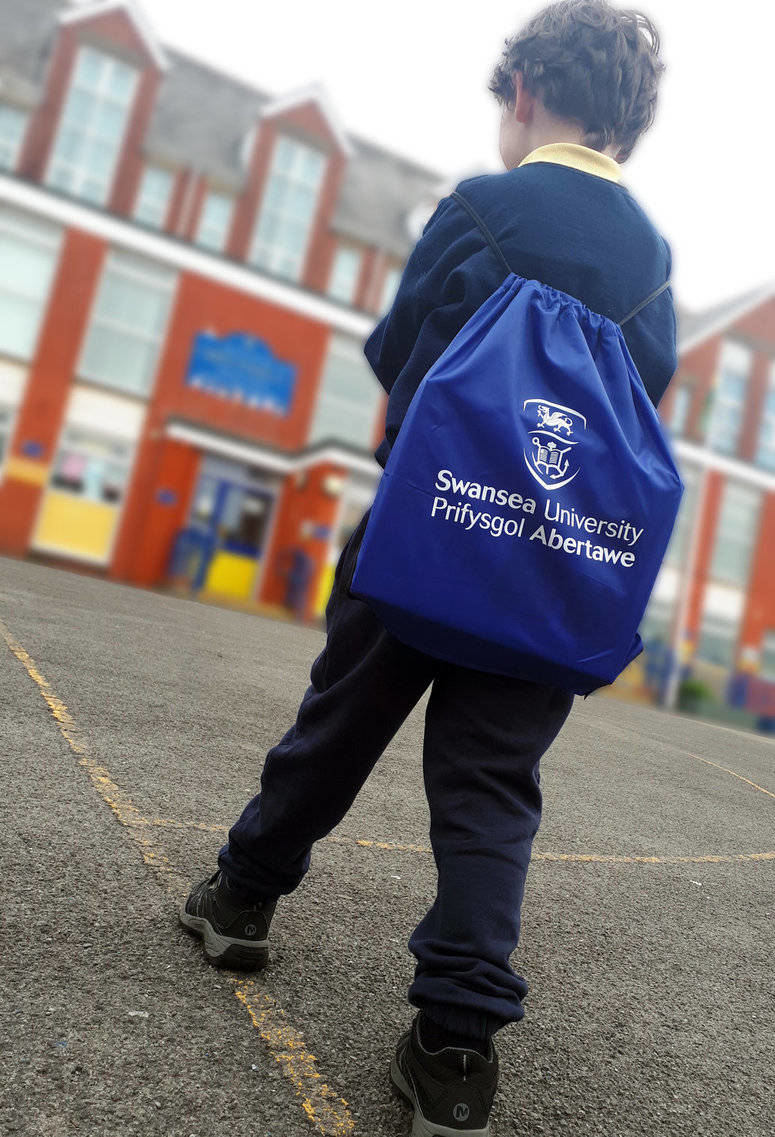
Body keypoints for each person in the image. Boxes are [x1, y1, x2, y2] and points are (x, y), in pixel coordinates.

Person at [180, 3, 677, 1133]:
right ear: (629, 127)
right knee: (491, 789)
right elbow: (640, 399)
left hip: (426, 533)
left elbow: (405, 350)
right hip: (548, 570)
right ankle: (454, 1048)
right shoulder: (651, 252)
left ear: (520, 94)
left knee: (339, 723)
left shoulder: (483, 204)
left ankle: (244, 898)